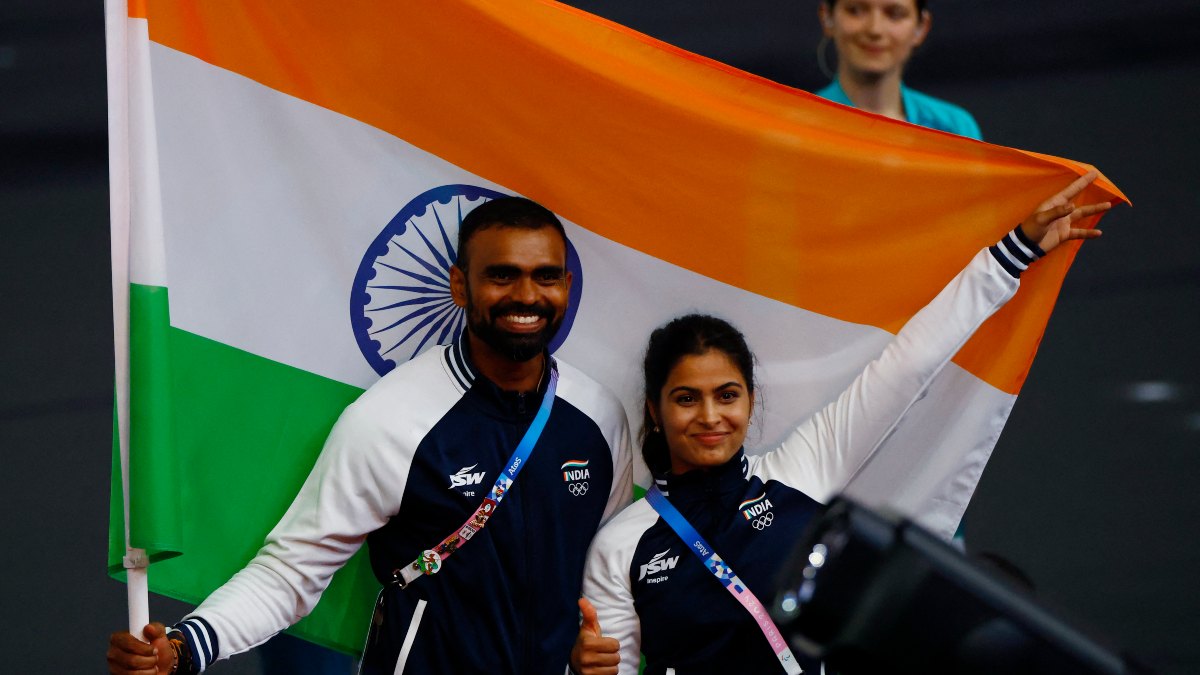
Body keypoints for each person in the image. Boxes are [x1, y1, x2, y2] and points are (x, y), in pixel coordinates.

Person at [569, 173, 1109, 674]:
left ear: (750, 402)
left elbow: (907, 367)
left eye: (726, 395)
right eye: (687, 399)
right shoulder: (621, 544)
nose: (710, 416)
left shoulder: (801, 467)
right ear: (655, 414)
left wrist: (1011, 253)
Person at [107, 197, 633, 675]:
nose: (526, 295)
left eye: (546, 276)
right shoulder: (389, 419)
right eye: (502, 275)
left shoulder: (599, 417)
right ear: (459, 285)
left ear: (566, 286)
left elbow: (608, 577)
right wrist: (183, 647)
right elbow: (290, 572)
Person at [814, 0, 982, 140]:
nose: (875, 29)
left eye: (895, 14)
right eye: (855, 10)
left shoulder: (954, 129)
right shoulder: (799, 126)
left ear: (921, 27)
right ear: (827, 17)